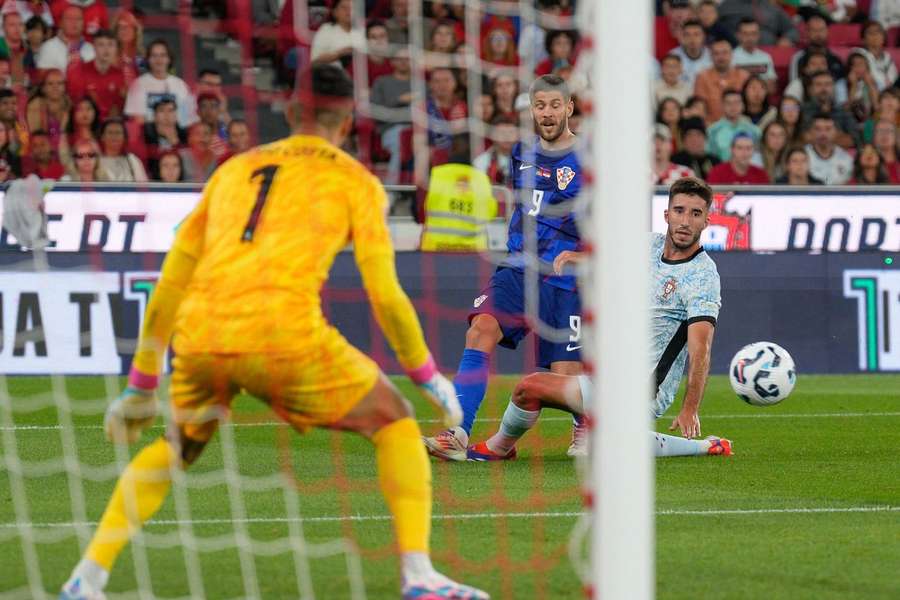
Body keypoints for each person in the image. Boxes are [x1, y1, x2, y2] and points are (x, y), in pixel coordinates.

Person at [58, 64, 487, 600]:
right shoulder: (356, 180)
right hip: (285, 337)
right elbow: (385, 294)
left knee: (176, 447)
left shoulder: (234, 170)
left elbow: (171, 280)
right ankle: (419, 577)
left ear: (288, 111)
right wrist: (427, 376)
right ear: (348, 121)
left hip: (202, 337)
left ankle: (86, 578)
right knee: (396, 421)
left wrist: (140, 386)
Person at [466, 176, 731, 461]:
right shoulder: (650, 246)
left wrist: (690, 407)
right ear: (666, 215)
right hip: (612, 374)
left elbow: (700, 349)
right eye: (679, 211)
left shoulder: (703, 276)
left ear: (706, 221)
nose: (685, 221)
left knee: (528, 388)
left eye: (696, 214)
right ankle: (707, 446)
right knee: (613, 439)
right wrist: (576, 257)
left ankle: (499, 447)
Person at [423, 74, 585, 462]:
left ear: (569, 108)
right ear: (532, 109)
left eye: (555, 105)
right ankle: (459, 432)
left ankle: (585, 427)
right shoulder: (520, 154)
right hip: (517, 268)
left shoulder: (593, 159)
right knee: (480, 328)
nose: (547, 113)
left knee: (563, 376)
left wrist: (586, 256)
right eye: (540, 105)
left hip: (565, 280)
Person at [124, 39, 197, 128]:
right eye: (154, 55)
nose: (158, 59)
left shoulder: (181, 85)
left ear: (169, 59)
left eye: (163, 55)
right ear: (148, 59)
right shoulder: (138, 84)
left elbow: (188, 119)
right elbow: (137, 120)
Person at [66, 29, 127, 121]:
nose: (106, 49)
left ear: (116, 48)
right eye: (101, 45)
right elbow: (75, 106)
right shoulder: (80, 71)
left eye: (110, 44)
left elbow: (120, 109)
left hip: (111, 125)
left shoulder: (121, 75)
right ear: (94, 47)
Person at [370, 49, 412, 184]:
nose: (404, 62)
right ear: (392, 62)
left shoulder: (421, 84)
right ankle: (391, 194)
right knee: (401, 145)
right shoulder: (382, 82)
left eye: (407, 59)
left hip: (418, 128)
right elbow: (374, 111)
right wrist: (399, 100)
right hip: (393, 129)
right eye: (400, 59)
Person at [694, 37, 750, 123]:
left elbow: (750, 105)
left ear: (731, 54)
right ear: (711, 56)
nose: (721, 57)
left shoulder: (744, 76)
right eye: (716, 53)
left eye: (725, 53)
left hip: (740, 126)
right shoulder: (702, 77)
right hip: (711, 126)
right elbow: (699, 107)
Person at [800, 70, 860, 148]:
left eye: (828, 84)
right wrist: (838, 136)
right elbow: (802, 139)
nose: (823, 88)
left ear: (833, 88)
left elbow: (854, 140)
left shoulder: (843, 111)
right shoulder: (802, 111)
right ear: (810, 89)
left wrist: (817, 137)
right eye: (818, 84)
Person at [36, 4, 94, 74]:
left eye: (78, 19)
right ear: (61, 23)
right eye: (69, 18)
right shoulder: (48, 47)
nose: (74, 22)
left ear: (83, 23)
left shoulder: (92, 49)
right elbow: (42, 77)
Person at [706, 89, 760, 161]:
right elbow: (709, 156)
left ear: (743, 105)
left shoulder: (755, 131)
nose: (733, 106)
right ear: (722, 106)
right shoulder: (712, 131)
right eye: (728, 103)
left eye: (736, 103)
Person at [788, 14, 845, 83]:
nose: (818, 34)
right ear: (807, 33)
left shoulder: (836, 58)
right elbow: (794, 84)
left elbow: (842, 85)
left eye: (821, 30)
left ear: (827, 32)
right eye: (814, 30)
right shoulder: (798, 58)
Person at [716, 0, 798, 47]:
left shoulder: (772, 7)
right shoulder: (726, 6)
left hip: (769, 53)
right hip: (733, 54)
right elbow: (712, 25)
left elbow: (791, 30)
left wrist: (787, 39)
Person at [26, 68, 68, 150]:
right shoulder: (35, 105)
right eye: (50, 84)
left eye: (59, 83)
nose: (55, 87)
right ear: (43, 88)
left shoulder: (69, 105)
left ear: (65, 87)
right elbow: (35, 137)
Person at [310, 0, 360, 70]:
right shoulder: (327, 29)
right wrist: (339, 54)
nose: (349, 11)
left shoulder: (362, 31)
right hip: (331, 74)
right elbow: (315, 60)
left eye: (352, 8)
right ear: (335, 12)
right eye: (344, 8)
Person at [805, 113, 853, 184]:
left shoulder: (846, 159)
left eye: (828, 129)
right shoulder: (802, 156)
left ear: (836, 132)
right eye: (818, 129)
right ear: (811, 132)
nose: (823, 133)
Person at [731, 18, 776, 93]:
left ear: (759, 35)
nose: (750, 38)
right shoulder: (731, 57)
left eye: (753, 33)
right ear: (738, 35)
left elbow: (771, 88)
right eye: (745, 34)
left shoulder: (766, 57)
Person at [472, 116, 518, 186]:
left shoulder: (526, 160)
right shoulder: (481, 162)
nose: (507, 137)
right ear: (493, 136)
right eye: (502, 133)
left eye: (511, 132)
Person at [98, 118, 147, 182]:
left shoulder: (132, 160)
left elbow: (143, 187)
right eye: (110, 132)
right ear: (102, 137)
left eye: (118, 133)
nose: (114, 136)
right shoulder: (96, 161)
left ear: (124, 137)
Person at [669, 19, 711, 89]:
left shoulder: (711, 55)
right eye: (687, 35)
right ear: (682, 37)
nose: (692, 39)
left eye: (696, 34)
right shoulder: (673, 56)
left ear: (704, 36)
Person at [856, 20, 897, 91]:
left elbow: (893, 78)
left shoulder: (887, 57)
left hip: (888, 94)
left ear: (884, 37)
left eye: (878, 32)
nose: (875, 35)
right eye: (870, 33)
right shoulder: (859, 54)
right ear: (863, 40)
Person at [0, 11, 28, 87]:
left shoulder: (27, 48)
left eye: (20, 24)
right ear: (3, 27)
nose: (17, 28)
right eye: (12, 25)